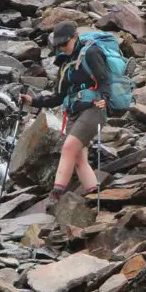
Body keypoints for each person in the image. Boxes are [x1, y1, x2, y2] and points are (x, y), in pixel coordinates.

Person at [19, 21, 109, 205]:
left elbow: (105, 79)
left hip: (94, 108)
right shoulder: (65, 63)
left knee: (68, 148)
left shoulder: (91, 53)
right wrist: (33, 101)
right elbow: (59, 96)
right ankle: (95, 198)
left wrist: (105, 98)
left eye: (64, 44)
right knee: (78, 159)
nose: (61, 48)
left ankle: (56, 193)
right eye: (58, 45)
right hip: (74, 112)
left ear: (75, 37)